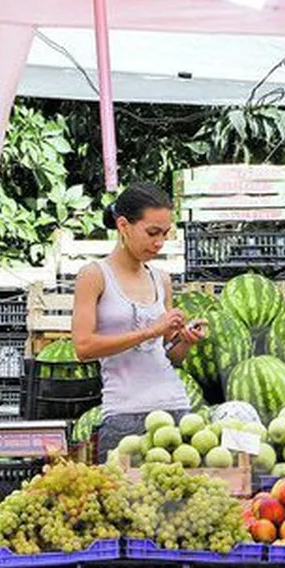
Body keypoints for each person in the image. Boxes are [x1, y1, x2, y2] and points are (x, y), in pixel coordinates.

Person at [72, 182, 206, 461]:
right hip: (124, 415)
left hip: (176, 408)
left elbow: (170, 355)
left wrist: (185, 340)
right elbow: (83, 347)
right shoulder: (94, 275)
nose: (159, 242)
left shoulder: (161, 279)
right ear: (123, 225)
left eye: (165, 234)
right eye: (152, 233)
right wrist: (150, 331)